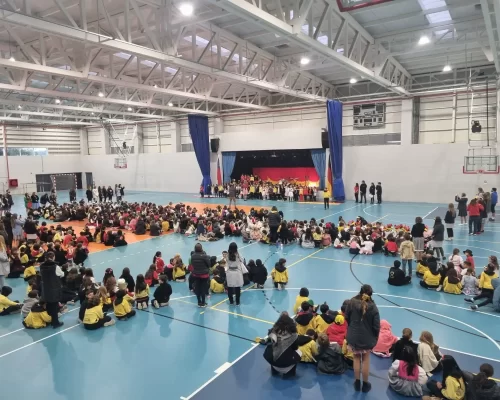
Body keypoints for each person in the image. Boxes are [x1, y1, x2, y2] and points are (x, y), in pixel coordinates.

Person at [345, 284, 380, 393]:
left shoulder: (351, 302)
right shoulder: (373, 307)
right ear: (371, 294)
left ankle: (357, 382)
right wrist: (375, 337)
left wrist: (352, 328)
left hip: (353, 337)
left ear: (360, 292)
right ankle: (365, 384)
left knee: (356, 358)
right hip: (367, 338)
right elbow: (376, 326)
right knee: (365, 360)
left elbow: (347, 317)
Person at [263, 312, 301, 377]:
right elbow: (295, 348)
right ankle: (290, 373)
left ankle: (274, 370)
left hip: (272, 360)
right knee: (299, 352)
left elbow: (269, 340)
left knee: (273, 350)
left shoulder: (273, 331)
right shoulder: (294, 335)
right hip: (285, 363)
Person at [39, 251, 64, 329]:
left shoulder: (41, 266)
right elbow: (62, 274)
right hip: (54, 288)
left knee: (49, 305)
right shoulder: (55, 266)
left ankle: (50, 319)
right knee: (54, 306)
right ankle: (55, 322)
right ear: (53, 257)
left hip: (46, 288)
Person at [226, 242, 247, 306]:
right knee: (237, 288)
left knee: (230, 288)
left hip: (229, 272)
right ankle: (237, 302)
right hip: (237, 272)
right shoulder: (238, 255)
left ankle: (231, 301)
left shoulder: (227, 255)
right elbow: (243, 260)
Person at [191, 243, 211, 307]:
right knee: (203, 288)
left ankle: (199, 302)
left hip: (196, 274)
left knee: (198, 288)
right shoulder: (204, 256)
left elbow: (192, 264)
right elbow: (209, 264)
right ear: (201, 248)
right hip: (204, 275)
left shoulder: (193, 256)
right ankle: (203, 302)